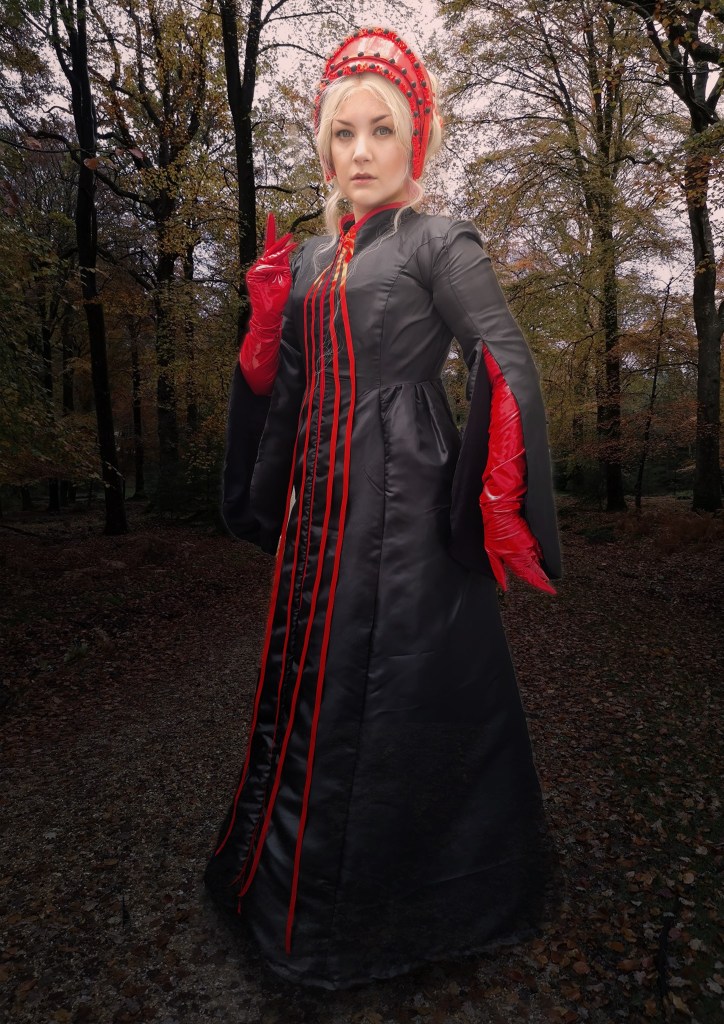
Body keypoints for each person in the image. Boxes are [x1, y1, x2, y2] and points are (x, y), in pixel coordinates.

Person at [204, 25, 565, 990]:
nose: (360, 152)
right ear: (324, 145)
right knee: (310, 680)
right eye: (343, 132)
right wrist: (262, 345)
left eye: (381, 131)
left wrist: (498, 493)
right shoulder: (312, 258)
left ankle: (395, 908)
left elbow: (504, 358)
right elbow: (288, 388)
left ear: (416, 141)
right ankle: (283, 887)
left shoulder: (440, 241)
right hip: (320, 508)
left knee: (396, 687)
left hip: (403, 503)